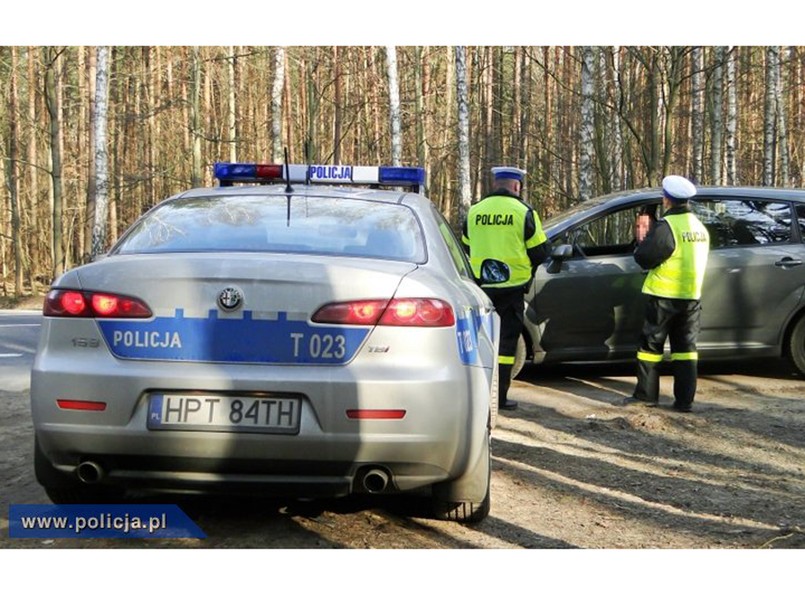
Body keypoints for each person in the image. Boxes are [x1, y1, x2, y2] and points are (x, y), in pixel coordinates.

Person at [462, 166, 550, 411]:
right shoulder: (523, 212)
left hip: (481, 289)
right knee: (505, 347)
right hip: (511, 290)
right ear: (516, 186)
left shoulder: (474, 212)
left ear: (495, 184)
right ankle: (498, 398)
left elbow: (466, 247)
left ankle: (476, 397)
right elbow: (541, 252)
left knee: (479, 342)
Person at [624, 175, 710, 412]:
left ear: (666, 200)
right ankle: (684, 401)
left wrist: (641, 242)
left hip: (664, 296)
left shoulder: (667, 227)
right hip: (691, 297)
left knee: (651, 348)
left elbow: (645, 258)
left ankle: (646, 396)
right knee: (685, 351)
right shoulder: (698, 227)